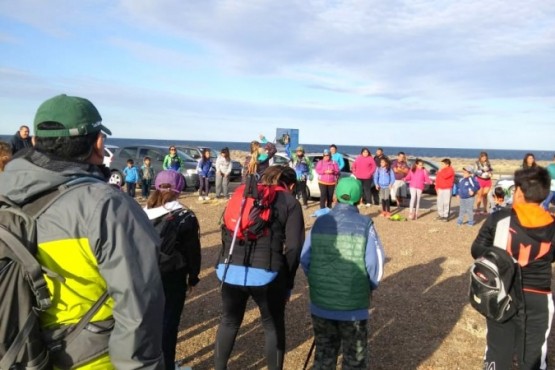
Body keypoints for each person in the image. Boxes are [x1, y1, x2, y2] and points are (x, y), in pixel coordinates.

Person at [0, 94, 165, 369]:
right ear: (98, 144)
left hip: (18, 355)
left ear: (33, 141)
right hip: (91, 359)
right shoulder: (106, 205)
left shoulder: (6, 194)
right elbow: (139, 304)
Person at [214, 165, 305, 370]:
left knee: (229, 321)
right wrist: (288, 282)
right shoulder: (290, 202)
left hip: (229, 269)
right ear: (290, 185)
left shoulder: (244, 194)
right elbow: (294, 247)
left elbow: (227, 230)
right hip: (267, 272)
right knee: (272, 325)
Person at [471, 166, 555, 370]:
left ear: (518, 192)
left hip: (501, 292)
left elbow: (477, 249)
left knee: (498, 347)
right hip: (538, 295)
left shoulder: (499, 218)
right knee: (534, 351)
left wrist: (503, 259)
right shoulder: (552, 225)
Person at [300, 177, 385, 369]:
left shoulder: (320, 222)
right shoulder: (365, 224)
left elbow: (305, 259)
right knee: (354, 358)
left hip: (321, 301)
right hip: (353, 303)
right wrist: (368, 287)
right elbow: (375, 265)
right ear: (360, 199)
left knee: (324, 355)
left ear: (336, 196)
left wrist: (318, 280)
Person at [144, 170, 201, 370]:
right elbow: (193, 251)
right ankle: (167, 365)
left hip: (143, 274)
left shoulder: (141, 212)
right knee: (169, 322)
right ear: (180, 189)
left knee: (146, 322)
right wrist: (193, 278)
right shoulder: (185, 216)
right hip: (173, 275)